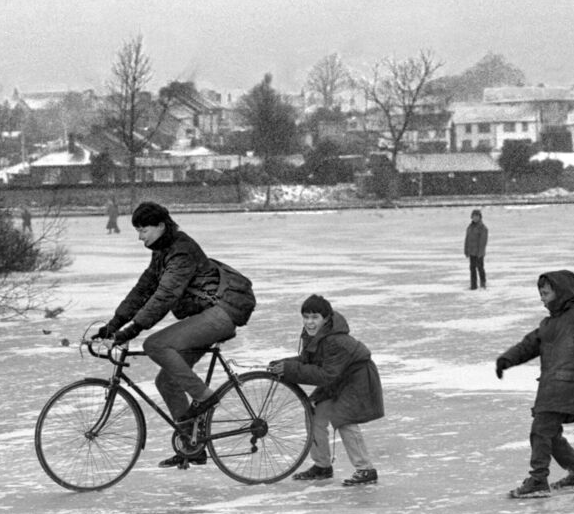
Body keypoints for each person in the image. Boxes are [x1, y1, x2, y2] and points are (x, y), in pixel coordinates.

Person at [93, 202, 256, 467]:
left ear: (160, 226)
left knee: (155, 344)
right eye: (137, 231)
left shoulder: (181, 251)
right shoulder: (162, 251)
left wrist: (133, 329)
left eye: (143, 230)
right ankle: (192, 446)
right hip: (206, 315)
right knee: (167, 382)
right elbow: (143, 290)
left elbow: (165, 295)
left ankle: (205, 397)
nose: (139, 236)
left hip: (221, 314)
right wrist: (114, 324)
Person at [495, 270, 574, 498]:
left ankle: (538, 479)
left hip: (568, 385)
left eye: (546, 293)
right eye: (540, 293)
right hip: (550, 386)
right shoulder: (548, 324)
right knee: (550, 434)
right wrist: (506, 359)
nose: (542, 298)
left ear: (560, 292)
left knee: (540, 430)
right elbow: (528, 345)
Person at [268, 295, 384, 486]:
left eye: (314, 317)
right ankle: (322, 466)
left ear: (326, 318)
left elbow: (326, 375)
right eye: (306, 317)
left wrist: (288, 370)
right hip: (337, 377)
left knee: (345, 418)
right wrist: (284, 364)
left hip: (357, 377)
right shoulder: (313, 335)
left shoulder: (335, 340)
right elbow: (307, 361)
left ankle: (366, 470)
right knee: (315, 414)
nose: (309, 322)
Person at [464, 209, 488, 290]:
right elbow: (467, 239)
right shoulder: (470, 227)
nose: (475, 218)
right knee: (472, 269)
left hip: (478, 252)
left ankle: (483, 284)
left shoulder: (483, 228)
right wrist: (466, 250)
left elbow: (483, 242)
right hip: (471, 252)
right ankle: (473, 285)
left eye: (477, 216)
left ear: (480, 217)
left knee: (480, 268)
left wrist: (480, 252)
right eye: (474, 216)